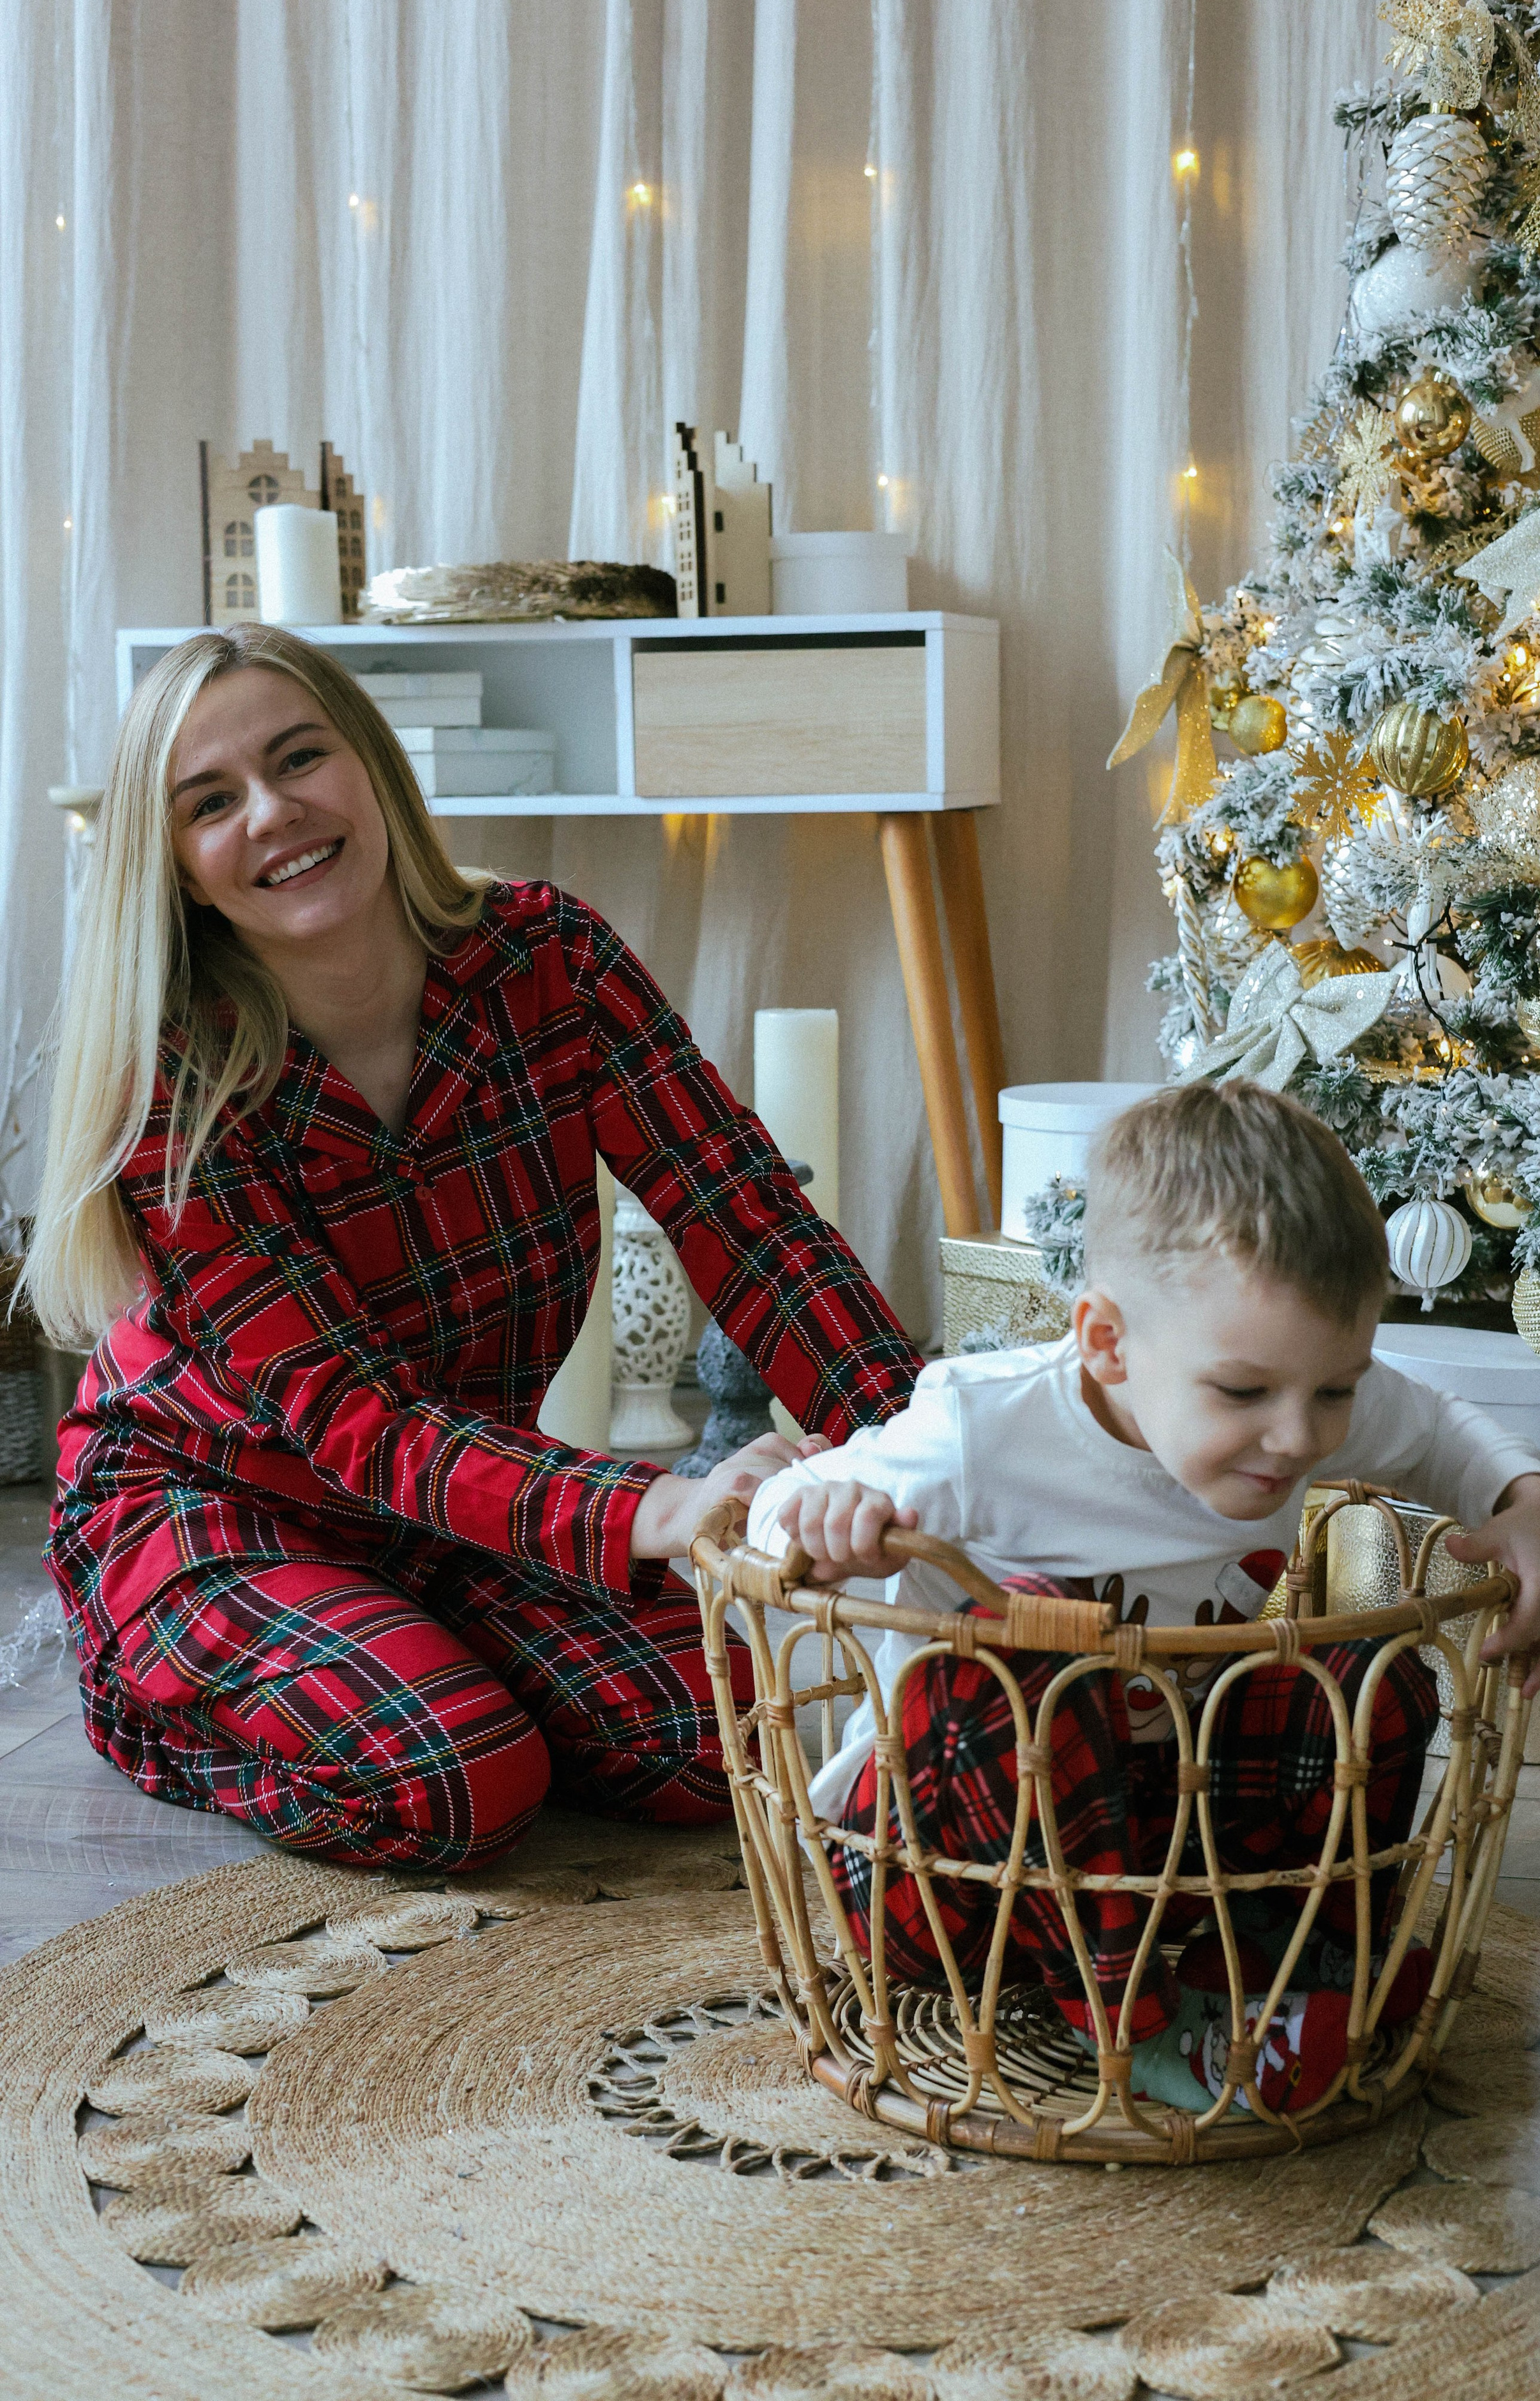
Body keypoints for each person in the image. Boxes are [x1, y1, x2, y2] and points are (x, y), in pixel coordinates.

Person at [24, 624, 921, 1871]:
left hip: (464, 1504)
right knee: (460, 1781)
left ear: (373, 766)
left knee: (753, 1727)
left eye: (299, 758)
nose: (273, 812)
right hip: (216, 1506)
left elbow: (746, 1220)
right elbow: (357, 1422)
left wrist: (931, 1461)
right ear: (176, 865)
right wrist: (658, 1508)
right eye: (211, 802)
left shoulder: (547, 964)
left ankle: (420, 1666)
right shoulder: (173, 1079)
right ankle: (150, 1683)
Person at [746, 1083, 1540, 2114]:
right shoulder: (985, 1428)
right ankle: (1143, 2035)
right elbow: (777, 1509)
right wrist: (820, 1522)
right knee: (1012, 1662)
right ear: (1107, 1343)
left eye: (1335, 1390)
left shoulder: (1294, 1393)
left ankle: (1307, 1952)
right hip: (942, 1881)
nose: (1300, 1438)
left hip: (1157, 1866)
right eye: (1243, 1395)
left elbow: (1444, 1429)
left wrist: (1534, 1504)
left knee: (1368, 1678)